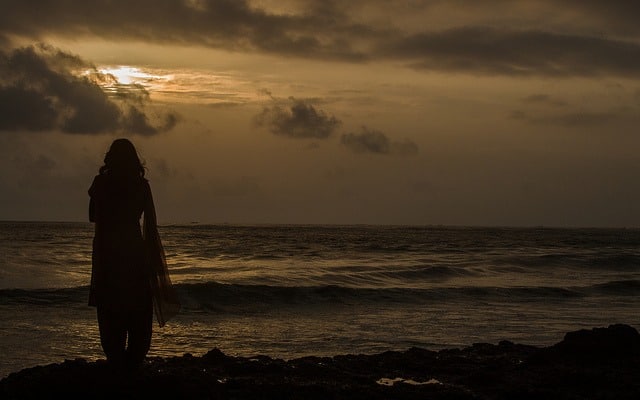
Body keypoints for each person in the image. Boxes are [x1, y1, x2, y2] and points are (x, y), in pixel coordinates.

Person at [88, 138, 179, 369]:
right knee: (137, 304)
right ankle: (134, 360)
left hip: (108, 250)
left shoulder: (100, 183)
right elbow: (150, 223)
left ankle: (116, 359)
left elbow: (92, 216)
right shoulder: (141, 185)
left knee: (110, 306)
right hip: (134, 248)